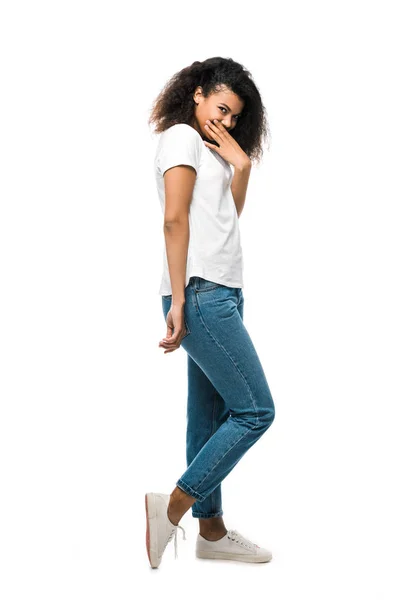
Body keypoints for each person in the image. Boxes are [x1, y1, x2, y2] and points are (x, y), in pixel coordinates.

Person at [145, 56, 275, 569]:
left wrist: (241, 166)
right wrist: (178, 299)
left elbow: (225, 218)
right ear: (197, 94)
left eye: (236, 116)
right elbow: (174, 220)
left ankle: (212, 531)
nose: (227, 121)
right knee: (255, 411)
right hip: (199, 294)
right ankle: (173, 505)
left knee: (209, 417)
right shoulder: (180, 136)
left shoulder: (213, 151)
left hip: (222, 293)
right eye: (221, 107)